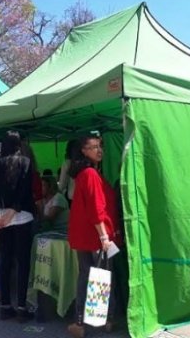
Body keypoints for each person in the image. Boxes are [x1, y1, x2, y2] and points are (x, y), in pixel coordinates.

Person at [67, 135, 123, 338]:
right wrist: (104, 236)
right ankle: (94, 321)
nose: (98, 150)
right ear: (83, 151)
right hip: (95, 236)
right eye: (93, 147)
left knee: (93, 277)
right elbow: (96, 208)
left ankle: (88, 321)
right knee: (100, 278)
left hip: (88, 236)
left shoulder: (87, 173)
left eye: (100, 146)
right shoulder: (90, 173)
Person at [0, 131, 35, 323]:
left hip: (1, 218)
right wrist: (12, 212)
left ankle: (5, 306)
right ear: (18, 145)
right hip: (22, 216)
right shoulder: (25, 162)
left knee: (5, 260)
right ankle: (22, 306)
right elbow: (24, 190)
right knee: (23, 262)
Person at [58, 139, 80, 205]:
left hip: (72, 196)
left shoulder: (67, 163)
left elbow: (62, 184)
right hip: (86, 195)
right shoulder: (87, 161)